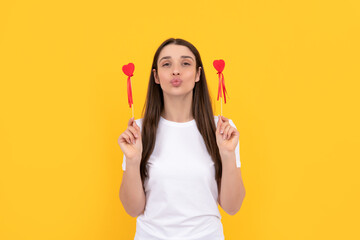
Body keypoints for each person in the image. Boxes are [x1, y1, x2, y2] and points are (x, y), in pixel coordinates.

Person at [118, 38, 246, 240]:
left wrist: (228, 155)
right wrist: (133, 161)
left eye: (185, 63)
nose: (175, 71)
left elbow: (232, 207)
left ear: (198, 74)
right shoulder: (138, 132)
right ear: (156, 76)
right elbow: (133, 209)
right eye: (166, 64)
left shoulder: (221, 130)